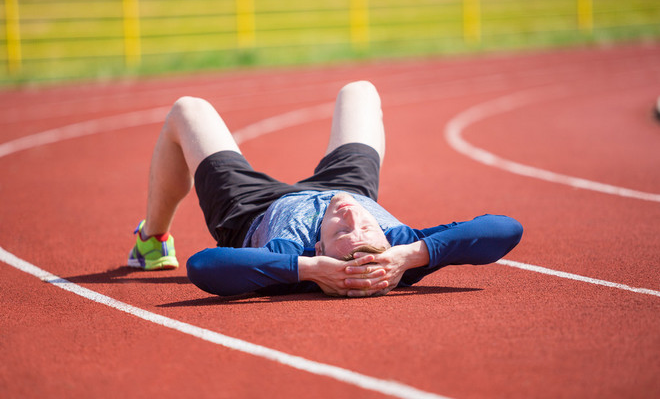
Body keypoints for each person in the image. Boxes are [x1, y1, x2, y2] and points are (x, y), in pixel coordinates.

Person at [128, 81, 523, 297]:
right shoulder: (397, 244)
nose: (349, 215)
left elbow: (203, 267)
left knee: (187, 108)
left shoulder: (292, 253)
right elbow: (505, 229)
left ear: (317, 249)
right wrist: (413, 255)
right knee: (360, 91)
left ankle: (152, 240)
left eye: (340, 231)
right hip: (345, 183)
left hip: (252, 207)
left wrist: (307, 269)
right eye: (366, 229)